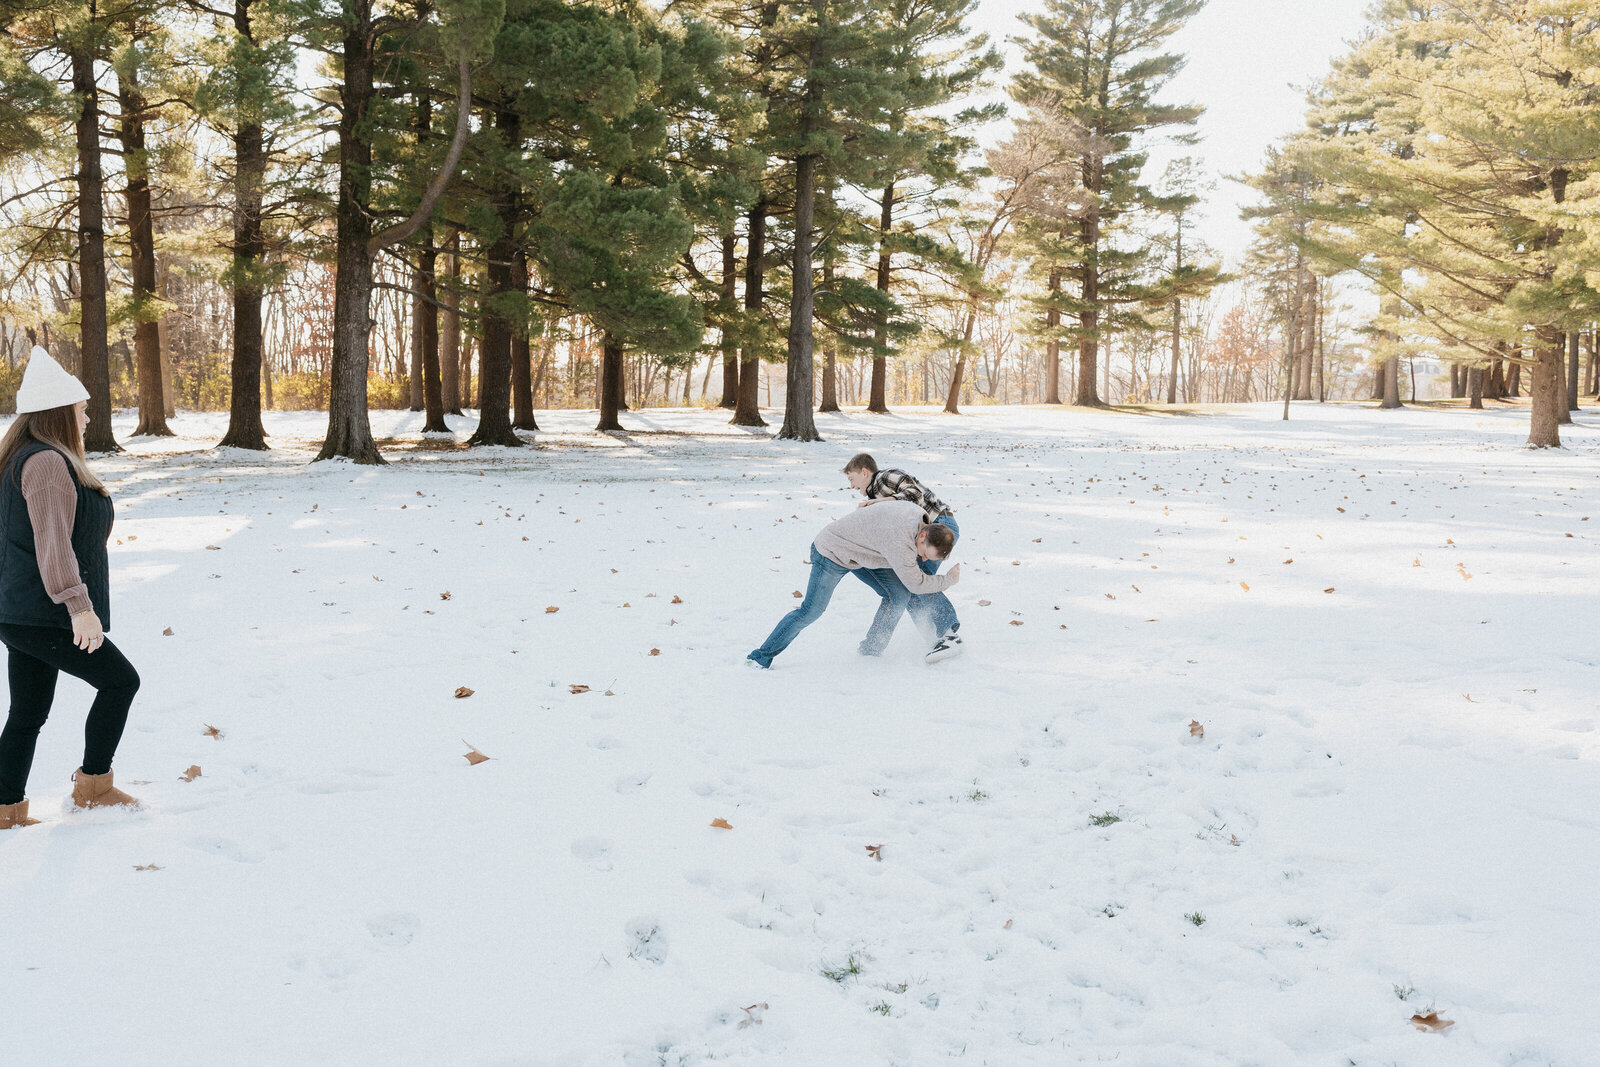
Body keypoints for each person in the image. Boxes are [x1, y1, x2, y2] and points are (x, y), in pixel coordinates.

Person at [0, 347, 140, 831]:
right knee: (121, 681)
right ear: (60, 413)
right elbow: (52, 544)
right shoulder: (44, 465)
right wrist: (78, 606)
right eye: (81, 409)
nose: (88, 417)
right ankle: (94, 787)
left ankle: (6, 811)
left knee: (28, 712)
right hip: (48, 613)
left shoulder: (22, 459)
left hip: (22, 613)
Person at [747, 499, 959, 669]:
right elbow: (916, 584)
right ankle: (759, 657)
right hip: (832, 553)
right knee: (811, 611)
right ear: (923, 534)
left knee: (899, 595)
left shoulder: (916, 514)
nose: (922, 559)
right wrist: (948, 580)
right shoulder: (900, 542)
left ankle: (870, 651)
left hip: (864, 553)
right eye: (923, 553)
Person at [843, 453, 963, 662]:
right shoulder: (874, 497)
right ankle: (935, 638)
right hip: (923, 536)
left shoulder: (884, 477)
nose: (852, 486)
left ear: (864, 472)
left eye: (852, 479)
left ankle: (949, 635)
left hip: (938, 529)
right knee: (908, 584)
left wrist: (884, 502)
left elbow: (914, 493)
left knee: (913, 580)